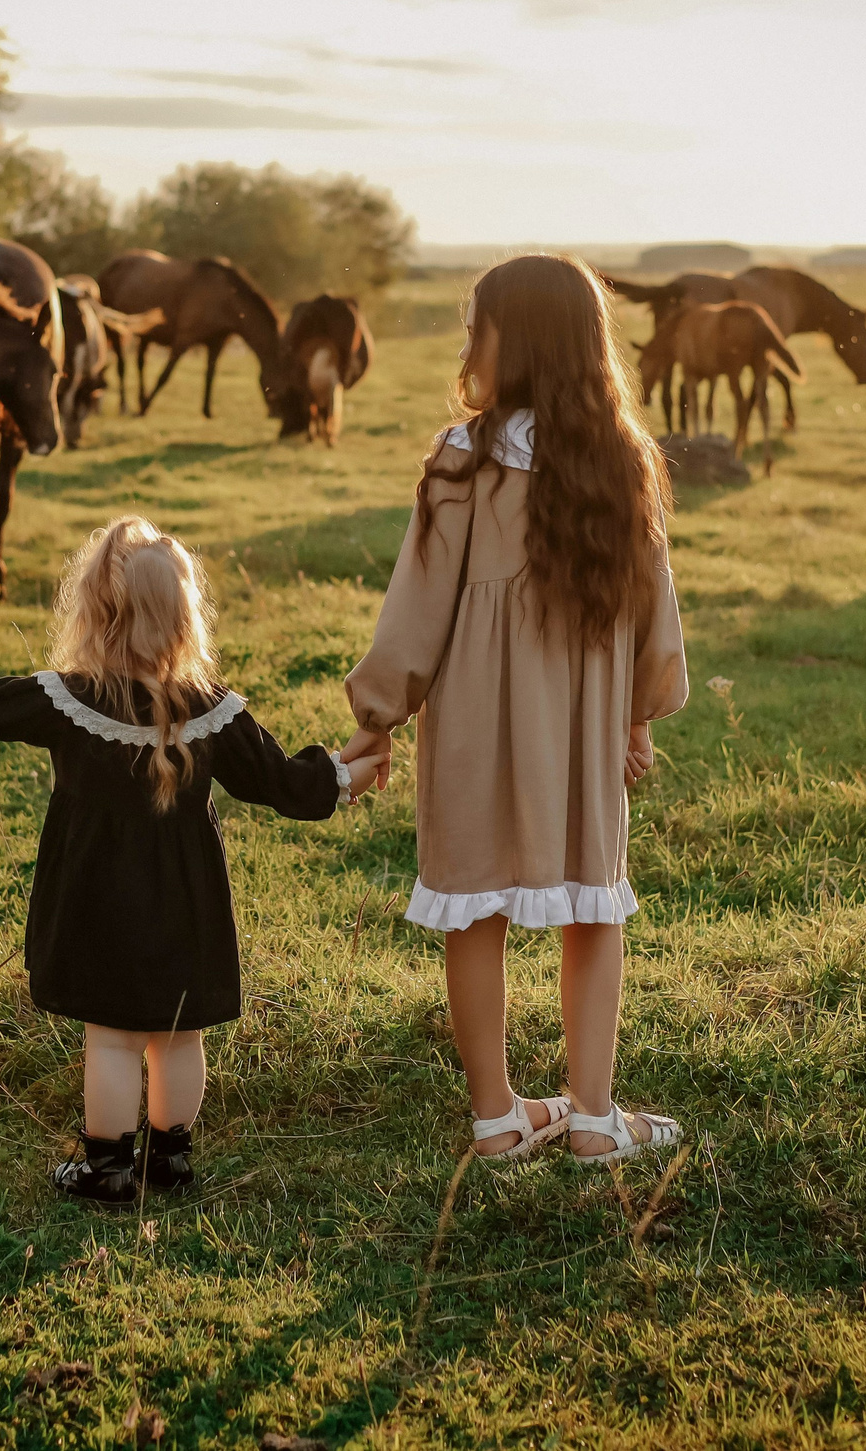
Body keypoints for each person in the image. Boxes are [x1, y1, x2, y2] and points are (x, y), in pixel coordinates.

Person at [0, 516, 382, 1202]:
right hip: (188, 905)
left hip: (99, 902)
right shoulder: (213, 711)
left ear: (96, 612)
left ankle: (107, 1166)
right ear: (185, 617)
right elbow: (284, 783)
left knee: (115, 1038)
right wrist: (346, 772)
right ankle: (171, 1160)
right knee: (179, 1036)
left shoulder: (68, 699)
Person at [341, 253, 689, 1165]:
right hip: (579, 729)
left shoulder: (468, 457)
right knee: (593, 910)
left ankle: (497, 1117)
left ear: (517, 343)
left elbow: (417, 605)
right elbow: (653, 603)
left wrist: (377, 714)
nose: (468, 347)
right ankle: (594, 1118)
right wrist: (635, 716)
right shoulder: (622, 458)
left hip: (478, 731)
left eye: (478, 329)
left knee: (472, 909)